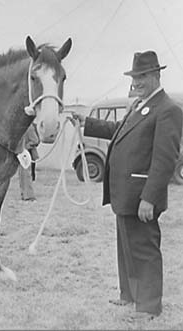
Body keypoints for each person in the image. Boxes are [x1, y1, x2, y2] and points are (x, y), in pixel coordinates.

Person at [72, 50, 182, 320]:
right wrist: (87, 123)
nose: (138, 81)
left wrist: (150, 198)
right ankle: (129, 295)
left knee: (144, 249)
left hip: (141, 195)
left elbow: (164, 160)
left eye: (143, 76)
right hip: (124, 194)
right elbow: (118, 131)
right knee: (126, 247)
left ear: (156, 76)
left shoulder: (168, 110)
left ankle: (148, 306)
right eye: (135, 76)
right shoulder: (138, 105)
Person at [18, 123, 40, 201]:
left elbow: (35, 140)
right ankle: (24, 194)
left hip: (27, 153)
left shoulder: (29, 127)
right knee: (22, 174)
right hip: (22, 153)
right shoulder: (23, 126)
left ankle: (29, 195)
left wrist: (26, 147)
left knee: (26, 174)